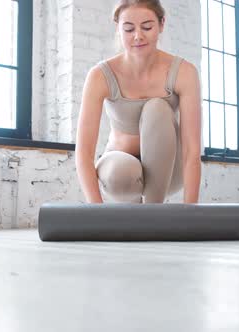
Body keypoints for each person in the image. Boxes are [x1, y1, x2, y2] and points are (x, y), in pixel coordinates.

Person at [75, 0, 202, 204]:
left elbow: (192, 150)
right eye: (128, 29)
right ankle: (134, 212)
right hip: (120, 173)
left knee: (157, 108)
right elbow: (83, 153)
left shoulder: (184, 72)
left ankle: (153, 212)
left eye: (147, 27)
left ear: (161, 24)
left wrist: (191, 210)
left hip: (170, 171)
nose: (138, 36)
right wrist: (96, 211)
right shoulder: (99, 75)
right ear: (118, 28)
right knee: (120, 171)